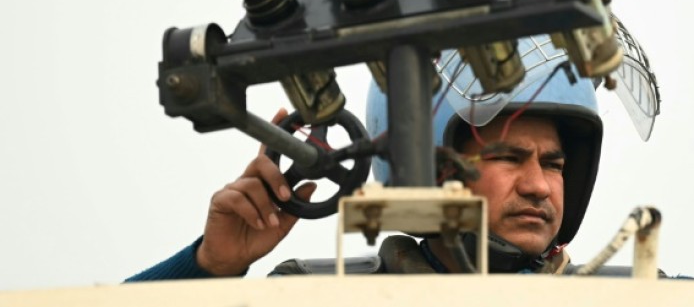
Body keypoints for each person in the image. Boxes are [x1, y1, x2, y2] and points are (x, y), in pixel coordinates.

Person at [126, 35, 621, 279]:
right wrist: (211, 268)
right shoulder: (322, 297)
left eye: (554, 165)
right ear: (427, 170)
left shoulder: (640, 298)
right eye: (509, 158)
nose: (539, 185)